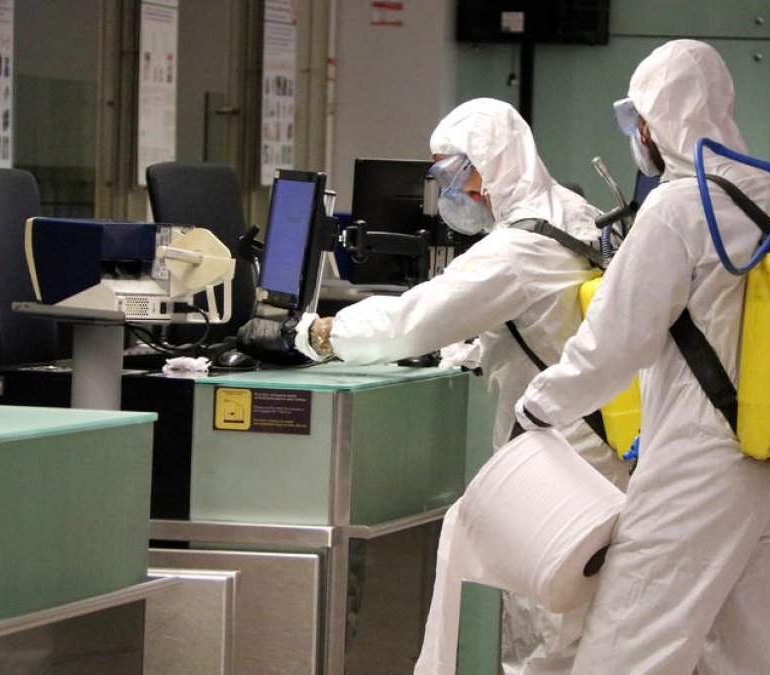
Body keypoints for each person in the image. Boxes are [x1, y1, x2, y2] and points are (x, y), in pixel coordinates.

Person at [238, 97, 631, 673]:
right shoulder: (574, 213)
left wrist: (320, 332)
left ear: (489, 167)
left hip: (559, 459)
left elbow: (412, 319)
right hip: (600, 445)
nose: (447, 189)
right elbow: (550, 320)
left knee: (545, 628)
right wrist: (472, 345)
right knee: (583, 620)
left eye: (452, 172)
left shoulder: (516, 249)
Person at [515, 40, 770, 674]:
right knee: (756, 653)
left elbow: (613, 343)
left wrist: (538, 410)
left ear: (652, 123)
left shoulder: (680, 206)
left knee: (627, 649)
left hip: (705, 460)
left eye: (637, 123)